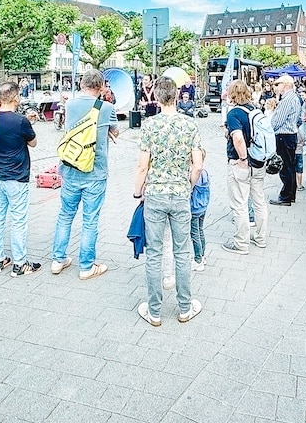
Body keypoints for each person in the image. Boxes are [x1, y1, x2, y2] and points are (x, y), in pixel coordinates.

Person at [133, 76, 204, 326]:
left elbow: (143, 166)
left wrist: (137, 191)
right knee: (182, 252)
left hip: (155, 193)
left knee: (154, 253)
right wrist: (188, 185)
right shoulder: (190, 124)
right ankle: (185, 307)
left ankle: (154, 311)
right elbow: (197, 165)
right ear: (176, 96)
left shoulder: (149, 125)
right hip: (180, 193)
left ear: (157, 96)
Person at [52, 69, 119, 280]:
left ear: (81, 85)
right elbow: (115, 131)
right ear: (101, 87)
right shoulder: (107, 108)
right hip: (95, 172)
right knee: (90, 220)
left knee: (65, 215)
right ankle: (86, 266)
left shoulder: (70, 104)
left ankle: (58, 260)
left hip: (71, 168)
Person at [0, 82, 41, 277]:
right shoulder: (20, 121)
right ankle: (19, 263)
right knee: (18, 220)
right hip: (16, 177)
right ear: (16, 97)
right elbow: (33, 143)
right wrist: (30, 124)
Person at [222, 80, 269, 255]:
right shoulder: (256, 110)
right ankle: (261, 238)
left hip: (241, 163)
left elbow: (238, 138)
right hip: (259, 162)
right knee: (259, 201)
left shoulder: (234, 113)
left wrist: (242, 158)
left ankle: (241, 243)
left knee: (240, 203)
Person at [269, 74, 304, 206]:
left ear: (285, 85)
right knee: (290, 165)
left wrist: (269, 131)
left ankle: (286, 196)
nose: (277, 87)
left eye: (278, 84)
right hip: (290, 134)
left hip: (284, 135)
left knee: (285, 167)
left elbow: (278, 120)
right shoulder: (294, 97)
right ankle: (290, 194)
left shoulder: (288, 99)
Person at [190, 150, 210, 271]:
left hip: (194, 208)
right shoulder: (205, 173)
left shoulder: (193, 173)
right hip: (203, 207)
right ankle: (202, 255)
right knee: (200, 230)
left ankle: (198, 260)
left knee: (194, 234)